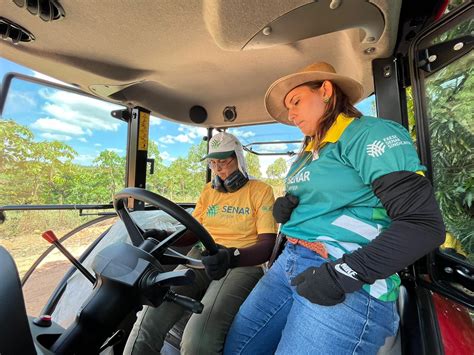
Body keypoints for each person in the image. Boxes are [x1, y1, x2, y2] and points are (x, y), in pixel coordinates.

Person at [224, 62, 446, 355]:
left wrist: (345, 273)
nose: (290, 115)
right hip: (289, 261)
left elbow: (423, 225)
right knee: (238, 348)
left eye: (296, 101)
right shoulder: (310, 152)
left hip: (345, 271)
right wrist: (287, 209)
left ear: (326, 91)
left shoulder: (368, 134)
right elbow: (330, 200)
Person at [124, 132, 278, 355]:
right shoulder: (209, 191)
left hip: (242, 262)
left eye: (224, 162)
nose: (218, 169)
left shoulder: (261, 191)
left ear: (239, 159)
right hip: (202, 256)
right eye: (213, 163)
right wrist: (161, 234)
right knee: (149, 317)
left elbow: (266, 246)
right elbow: (193, 232)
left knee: (199, 340)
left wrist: (231, 256)